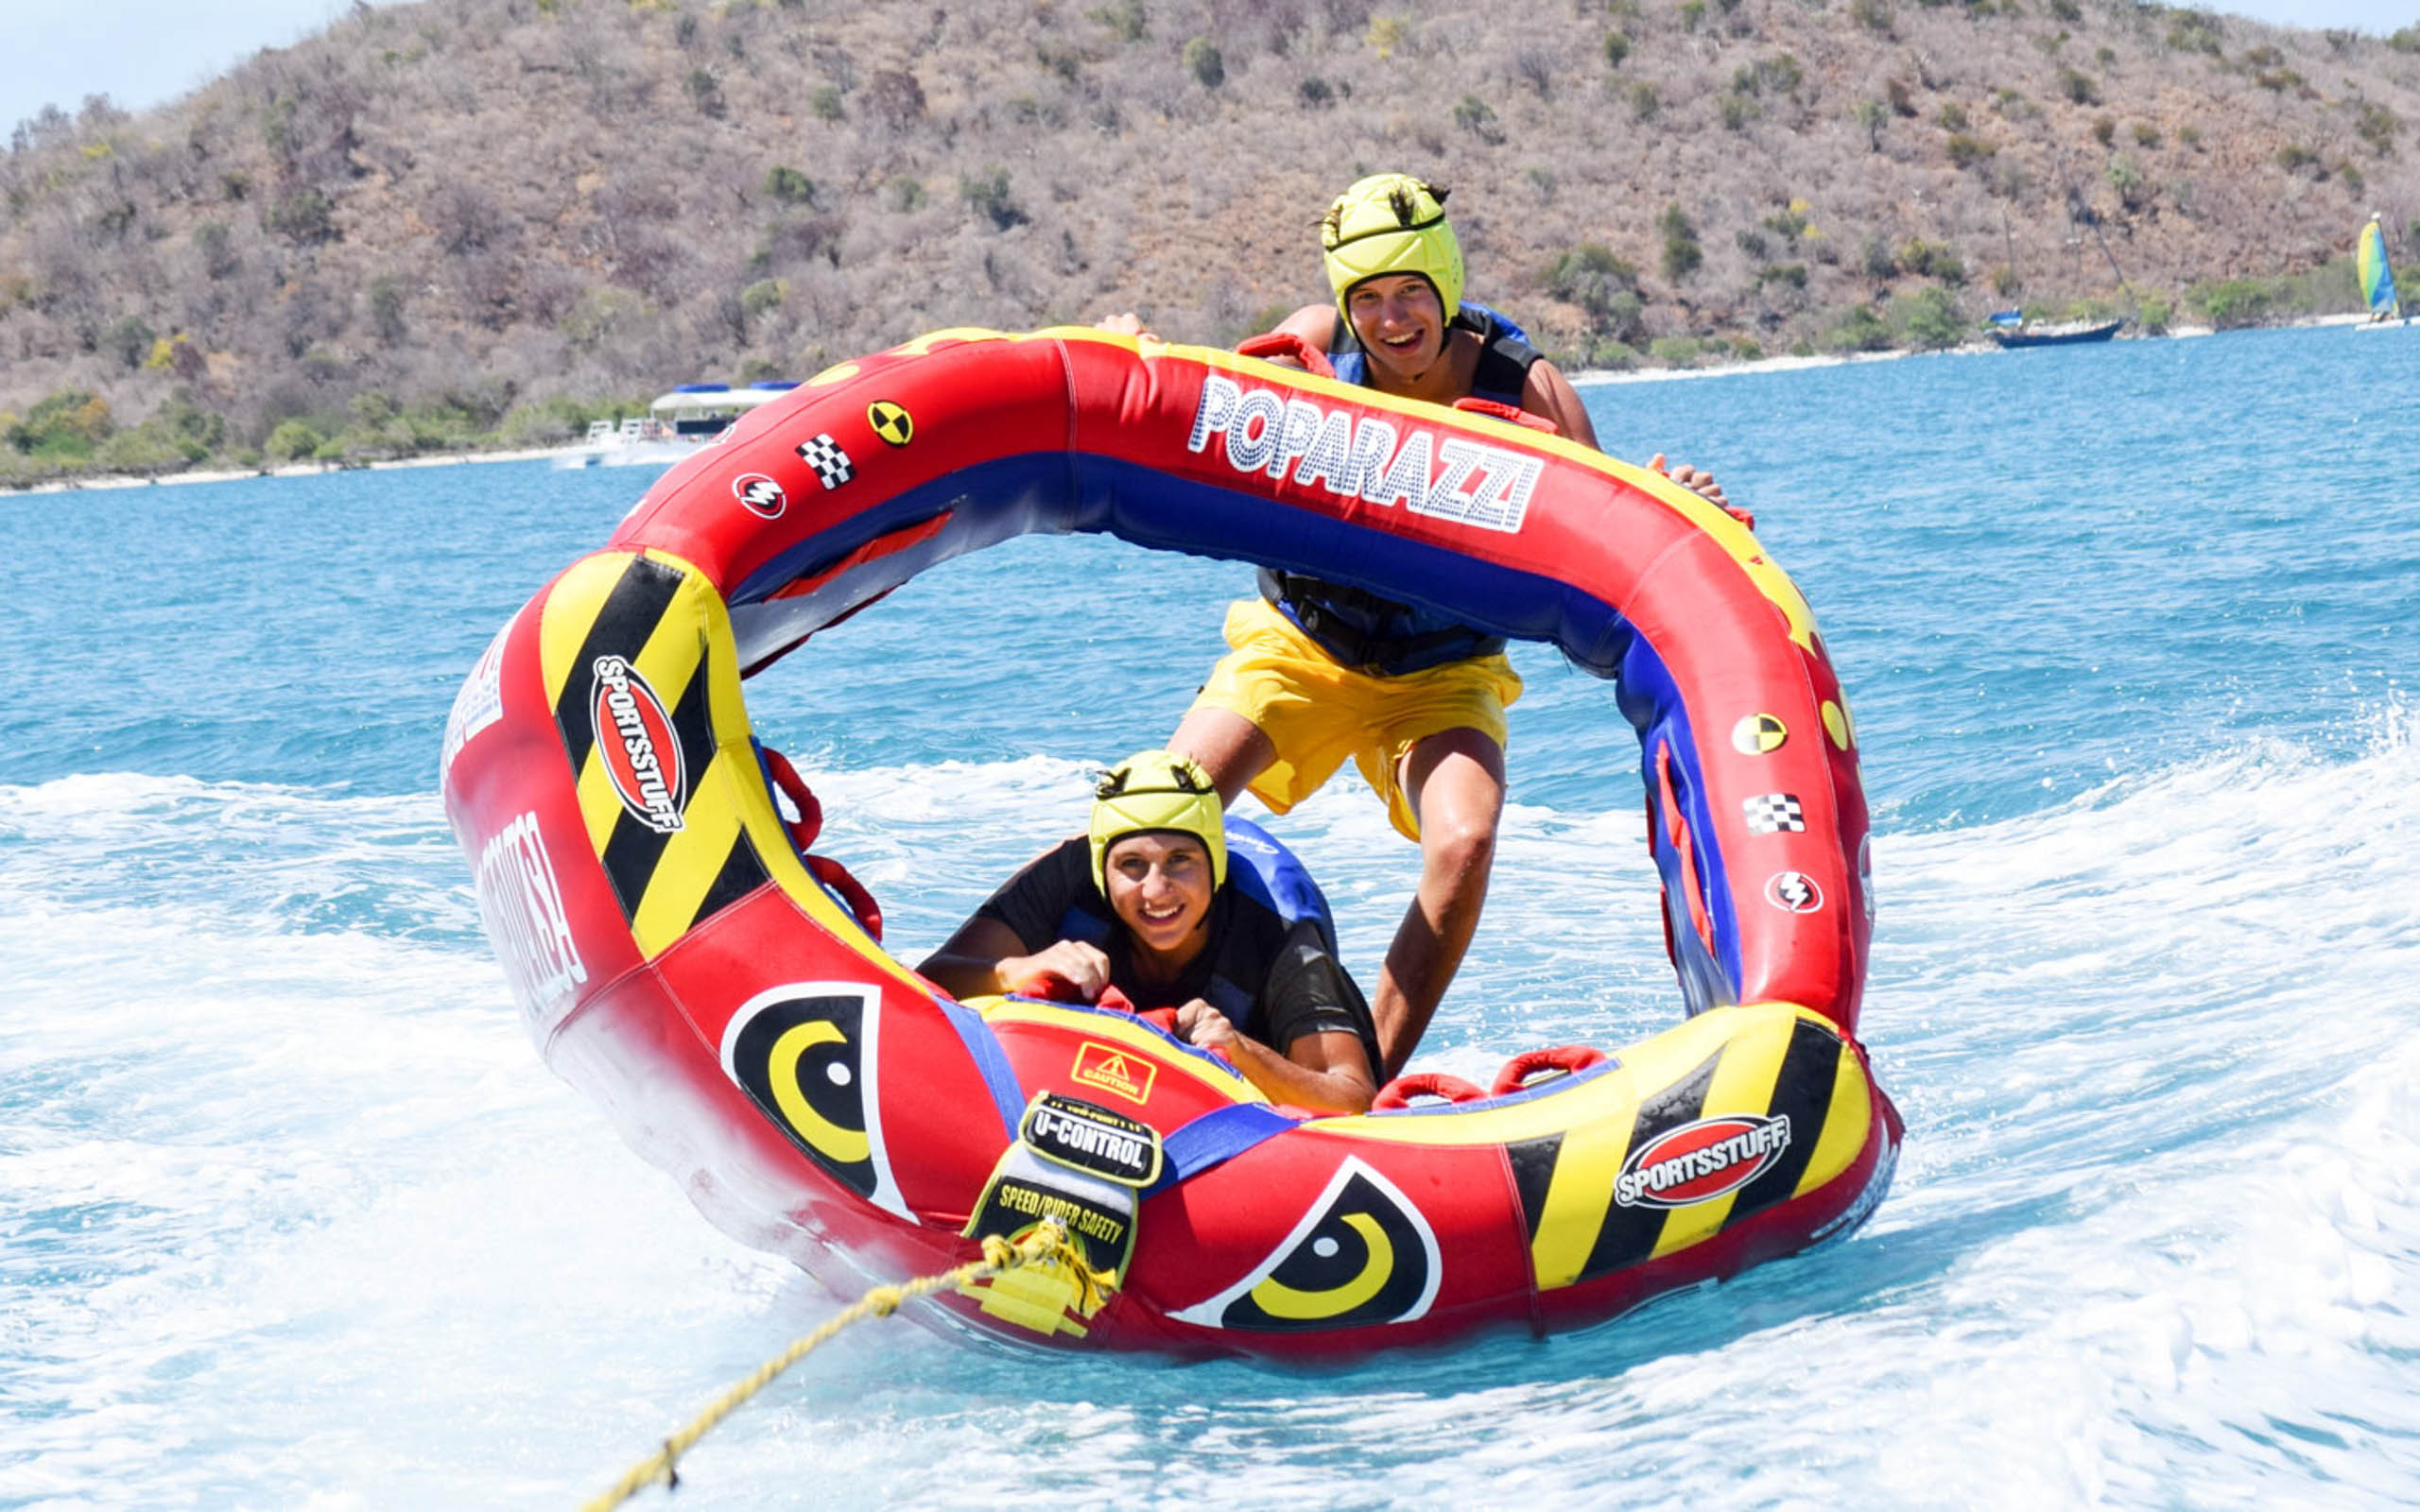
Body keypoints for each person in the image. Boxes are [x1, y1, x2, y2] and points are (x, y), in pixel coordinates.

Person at [1115, 173, 1732, 1080]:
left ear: (1445, 287)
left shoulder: (1527, 392)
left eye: (1411, 293)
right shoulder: (1316, 348)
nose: (1392, 320)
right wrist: (1142, 354)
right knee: (1170, 806)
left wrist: (1676, 505)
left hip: (1445, 675)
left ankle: (1354, 1084)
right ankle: (1094, 1022)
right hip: (1301, 649)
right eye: (1368, 299)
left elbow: (1612, 539)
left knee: (1464, 841)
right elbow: (1202, 413)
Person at [918, 750, 1381, 1114]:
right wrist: (1022, 968)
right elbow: (930, 980)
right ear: (1102, 871)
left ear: (1214, 865)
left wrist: (1241, 1051)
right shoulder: (1067, 880)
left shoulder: (1278, 933)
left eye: (1181, 860)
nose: (1156, 891)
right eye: (1132, 866)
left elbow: (1353, 1097)